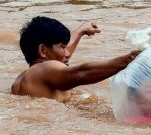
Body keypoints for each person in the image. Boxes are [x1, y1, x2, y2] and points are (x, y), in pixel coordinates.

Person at [11, 16, 140, 101]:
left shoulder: (26, 76)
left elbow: (60, 60)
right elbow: (79, 73)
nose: (67, 53)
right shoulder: (42, 70)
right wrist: (128, 59)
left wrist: (81, 31)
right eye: (62, 47)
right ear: (43, 50)